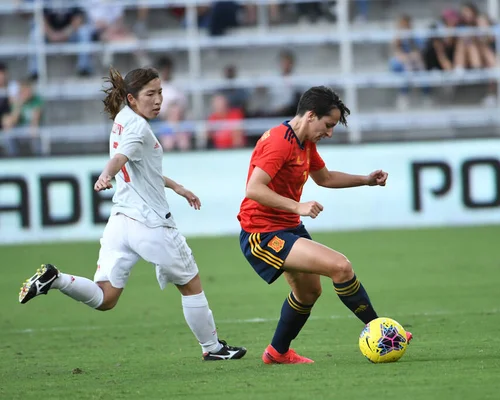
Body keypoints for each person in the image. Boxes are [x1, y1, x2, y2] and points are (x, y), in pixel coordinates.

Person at [18, 66, 246, 362]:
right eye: (150, 94)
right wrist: (105, 176)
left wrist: (176, 186)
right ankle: (213, 348)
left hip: (120, 223)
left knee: (106, 298)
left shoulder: (123, 120)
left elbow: (141, 166)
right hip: (151, 224)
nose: (158, 100)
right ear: (132, 98)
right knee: (191, 285)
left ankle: (56, 279)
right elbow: (119, 159)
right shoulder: (138, 128)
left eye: (160, 92)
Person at [237, 86, 412, 364]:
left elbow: (325, 178)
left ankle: (277, 353)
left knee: (309, 292)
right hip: (262, 232)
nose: (329, 133)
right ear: (310, 116)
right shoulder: (279, 143)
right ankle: (381, 330)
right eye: (328, 125)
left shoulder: (304, 142)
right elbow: (254, 189)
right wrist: (298, 206)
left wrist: (365, 180)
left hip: (286, 227)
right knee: (340, 266)